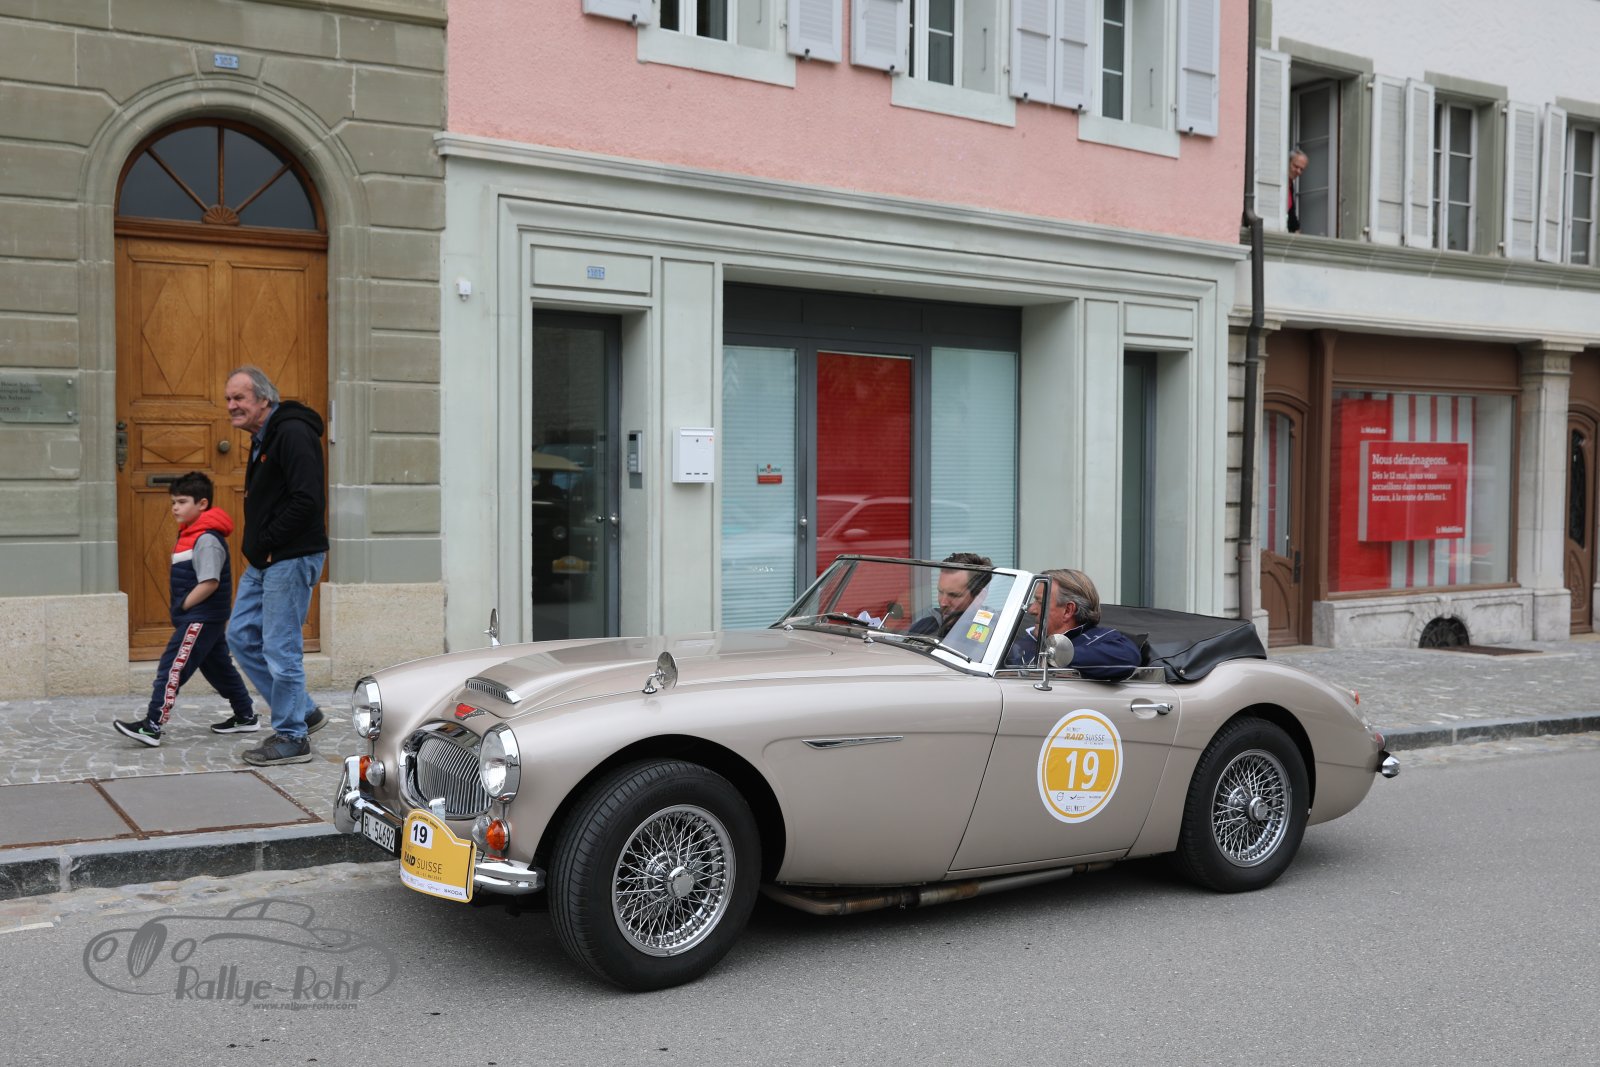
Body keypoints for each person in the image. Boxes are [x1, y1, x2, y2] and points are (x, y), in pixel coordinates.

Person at [222, 366, 329, 766]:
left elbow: (308, 500)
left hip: (289, 557)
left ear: (264, 399)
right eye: (228, 399)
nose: (231, 406)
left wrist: (267, 542)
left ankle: (292, 736)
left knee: (281, 649)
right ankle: (303, 710)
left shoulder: (293, 432)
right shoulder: (264, 436)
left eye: (239, 398)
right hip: (268, 559)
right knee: (240, 635)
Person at [114, 472, 257, 747]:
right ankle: (246, 715)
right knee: (219, 669)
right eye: (173, 502)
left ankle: (152, 725)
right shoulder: (192, 534)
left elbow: (210, 582)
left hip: (201, 616)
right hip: (203, 617)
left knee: (172, 668)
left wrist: (183, 605)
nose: (175, 508)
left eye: (181, 502)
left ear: (202, 504)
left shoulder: (206, 539)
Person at [1005, 568, 1141, 681]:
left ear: (1068, 611)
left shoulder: (1100, 639)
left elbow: (1127, 658)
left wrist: (1053, 656)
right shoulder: (1026, 638)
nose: (1031, 610)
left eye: (1040, 602)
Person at [910, 552, 994, 639]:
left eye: (953, 595)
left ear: (980, 596)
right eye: (941, 592)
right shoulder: (923, 627)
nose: (943, 603)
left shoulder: (996, 636)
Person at [1286, 149, 1308, 233]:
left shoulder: (1290, 184)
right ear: (1287, 162)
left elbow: (1291, 214)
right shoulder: (1280, 183)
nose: (1298, 171)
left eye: (1301, 169)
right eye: (1295, 166)